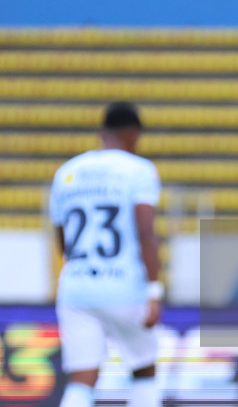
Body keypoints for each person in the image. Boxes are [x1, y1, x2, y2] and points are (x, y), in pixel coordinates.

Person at [49, 102, 163, 407]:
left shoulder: (67, 172)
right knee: (144, 370)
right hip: (124, 284)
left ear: (102, 133)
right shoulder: (138, 170)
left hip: (76, 285)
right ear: (134, 133)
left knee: (81, 379)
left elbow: (62, 238)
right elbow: (145, 233)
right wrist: (153, 290)